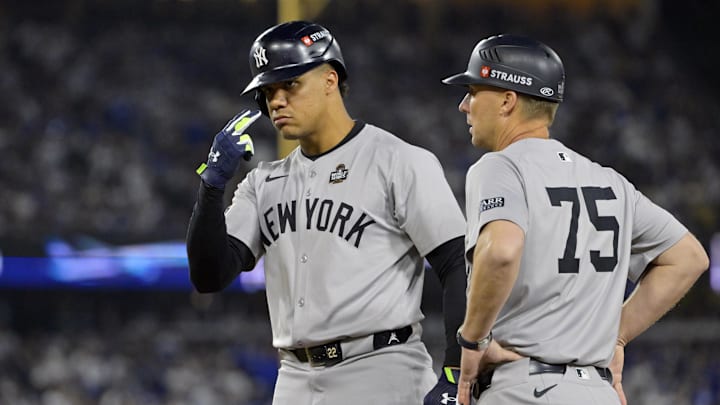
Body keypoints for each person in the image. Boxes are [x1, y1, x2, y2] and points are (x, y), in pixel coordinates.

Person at [186, 21, 468, 404]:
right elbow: (209, 275)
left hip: (381, 369)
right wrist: (212, 185)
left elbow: (457, 264)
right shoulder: (263, 182)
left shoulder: (398, 160)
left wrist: (455, 373)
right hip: (293, 378)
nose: (276, 101)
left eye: (290, 85)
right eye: (268, 91)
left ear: (330, 79)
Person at [441, 34, 709, 405]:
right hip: (597, 392)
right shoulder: (610, 181)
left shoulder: (501, 167)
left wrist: (471, 342)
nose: (463, 105)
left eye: (473, 91)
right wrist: (615, 336)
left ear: (507, 100)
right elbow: (688, 257)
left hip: (525, 389)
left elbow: (501, 251)